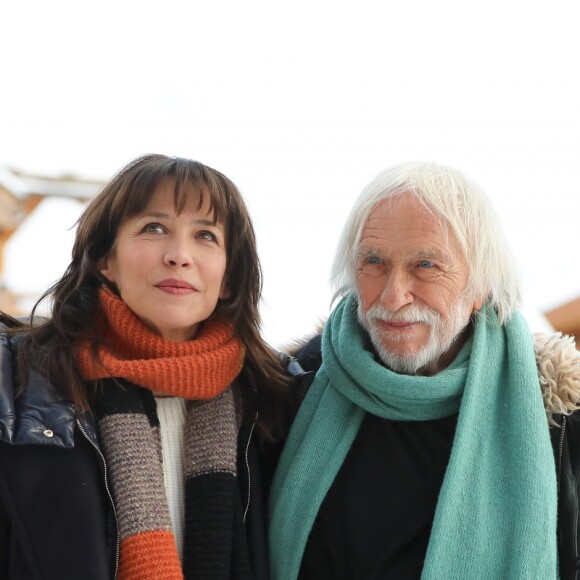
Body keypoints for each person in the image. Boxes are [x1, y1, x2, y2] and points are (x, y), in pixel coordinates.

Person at [269, 162, 580, 579]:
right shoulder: (286, 392)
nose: (394, 295)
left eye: (426, 265)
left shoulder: (559, 418)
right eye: (374, 261)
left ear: (480, 287)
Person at [0, 154, 294, 580]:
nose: (179, 255)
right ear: (105, 259)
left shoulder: (276, 405)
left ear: (229, 276)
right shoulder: (18, 386)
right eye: (153, 228)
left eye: (206, 235)